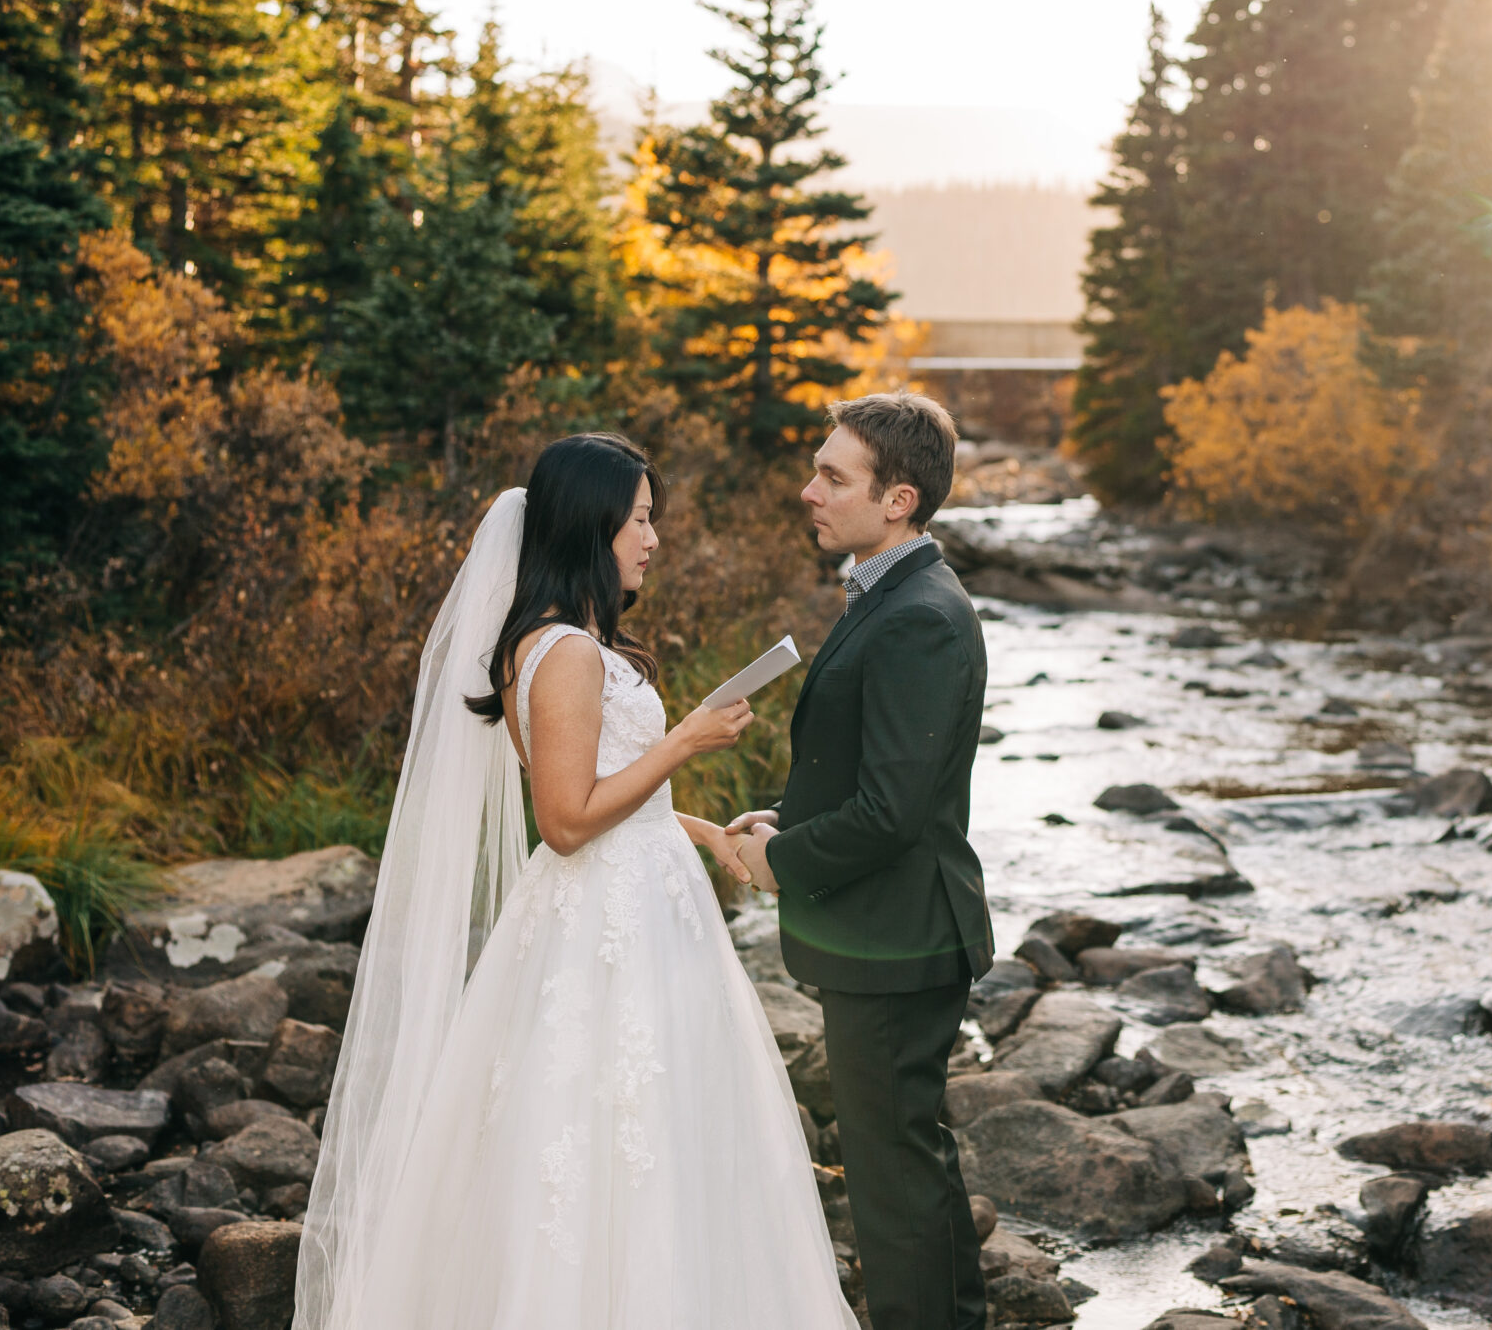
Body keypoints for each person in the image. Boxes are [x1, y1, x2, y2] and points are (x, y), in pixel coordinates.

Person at [294, 432, 855, 1330]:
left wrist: (711, 834)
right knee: (606, 1141)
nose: (653, 538)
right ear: (591, 526)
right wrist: (687, 740)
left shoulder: (575, 643)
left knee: (654, 1139)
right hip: (605, 927)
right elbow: (564, 820)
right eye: (639, 518)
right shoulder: (564, 653)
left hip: (643, 910)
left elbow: (616, 796)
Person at [729, 392, 993, 1330]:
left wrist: (778, 863)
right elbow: (880, 777)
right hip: (898, 928)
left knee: (890, 1183)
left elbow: (891, 813)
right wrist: (786, 816)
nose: (810, 491)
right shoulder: (894, 592)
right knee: (910, 1160)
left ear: (899, 499)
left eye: (833, 476)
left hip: (899, 939)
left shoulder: (920, 612)